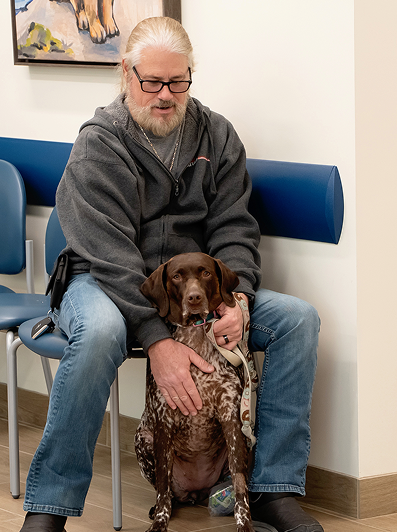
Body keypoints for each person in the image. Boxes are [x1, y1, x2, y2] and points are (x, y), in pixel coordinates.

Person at [19, 16, 323, 532]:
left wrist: (239, 296)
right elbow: (112, 257)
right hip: (104, 280)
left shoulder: (217, 135)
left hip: (197, 285)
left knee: (298, 318)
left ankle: (273, 488)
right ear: (125, 73)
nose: (165, 95)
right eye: (152, 81)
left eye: (178, 82)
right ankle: (48, 508)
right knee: (98, 335)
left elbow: (233, 226)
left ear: (190, 76)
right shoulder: (99, 143)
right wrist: (157, 340)